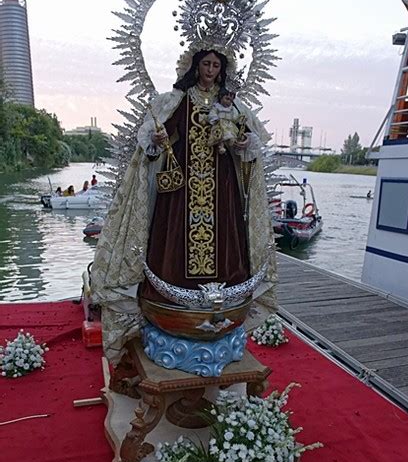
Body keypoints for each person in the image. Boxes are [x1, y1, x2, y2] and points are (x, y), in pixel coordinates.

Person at [91, 49, 276, 368]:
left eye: (216, 65)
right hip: (181, 192)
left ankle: (224, 304)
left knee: (225, 240)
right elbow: (152, 143)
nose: (211, 70)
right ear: (195, 65)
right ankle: (167, 303)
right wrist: (157, 138)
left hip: (222, 192)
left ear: (222, 69)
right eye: (206, 64)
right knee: (173, 241)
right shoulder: (176, 101)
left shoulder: (232, 103)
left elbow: (249, 141)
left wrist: (244, 144)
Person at [207, 86, 243, 153]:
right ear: (221, 97)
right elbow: (212, 113)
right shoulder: (217, 107)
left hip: (229, 124)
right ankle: (221, 146)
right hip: (220, 124)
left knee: (231, 133)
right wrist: (215, 119)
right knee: (221, 135)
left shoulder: (232, 108)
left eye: (231, 100)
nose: (228, 102)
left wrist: (239, 118)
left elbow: (235, 116)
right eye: (227, 99)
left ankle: (231, 141)